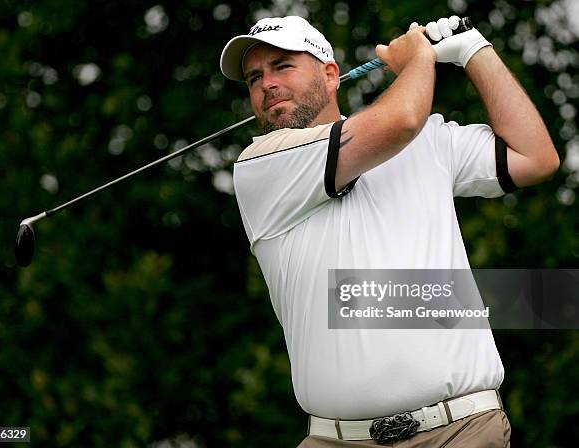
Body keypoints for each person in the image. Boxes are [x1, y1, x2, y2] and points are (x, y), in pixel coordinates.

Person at [219, 14, 559, 447]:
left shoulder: (428, 141)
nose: (266, 84)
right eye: (254, 77)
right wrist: (419, 57)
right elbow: (400, 119)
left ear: (329, 74)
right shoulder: (261, 164)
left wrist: (475, 51)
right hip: (336, 440)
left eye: (282, 66)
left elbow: (536, 158)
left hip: (462, 431)